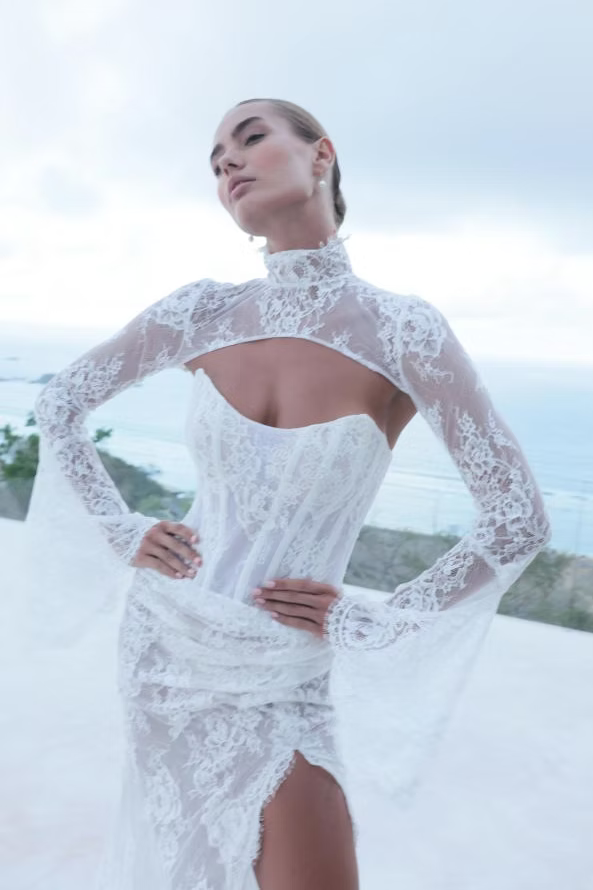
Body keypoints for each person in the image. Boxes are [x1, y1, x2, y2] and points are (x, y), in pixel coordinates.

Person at [26, 98, 551, 890]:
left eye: (250, 139)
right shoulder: (202, 310)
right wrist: (120, 527)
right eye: (215, 163)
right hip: (165, 641)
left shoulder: (402, 330)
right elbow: (60, 404)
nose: (228, 164)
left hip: (283, 669)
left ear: (321, 155)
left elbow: (517, 518)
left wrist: (378, 619)